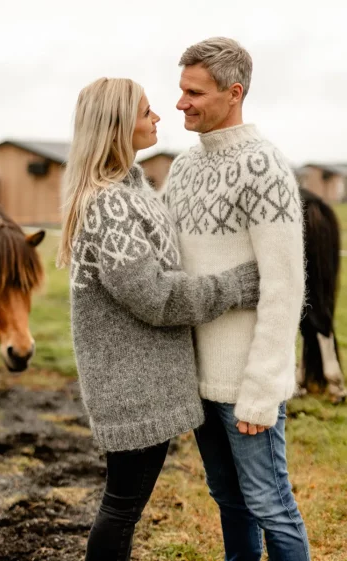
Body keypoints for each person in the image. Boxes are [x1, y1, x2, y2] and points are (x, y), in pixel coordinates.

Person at [57, 77, 260, 561]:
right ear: (117, 125)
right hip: (134, 388)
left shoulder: (133, 188)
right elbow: (155, 296)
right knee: (121, 507)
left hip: (144, 382)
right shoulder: (110, 203)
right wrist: (234, 285)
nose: (157, 118)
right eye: (146, 112)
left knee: (124, 506)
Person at [165, 37, 310, 561]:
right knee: (228, 499)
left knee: (271, 504)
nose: (180, 102)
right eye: (180, 89)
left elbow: (283, 286)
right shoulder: (181, 169)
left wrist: (261, 387)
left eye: (193, 92)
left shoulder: (265, 168)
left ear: (234, 92)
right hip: (197, 379)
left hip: (245, 381)